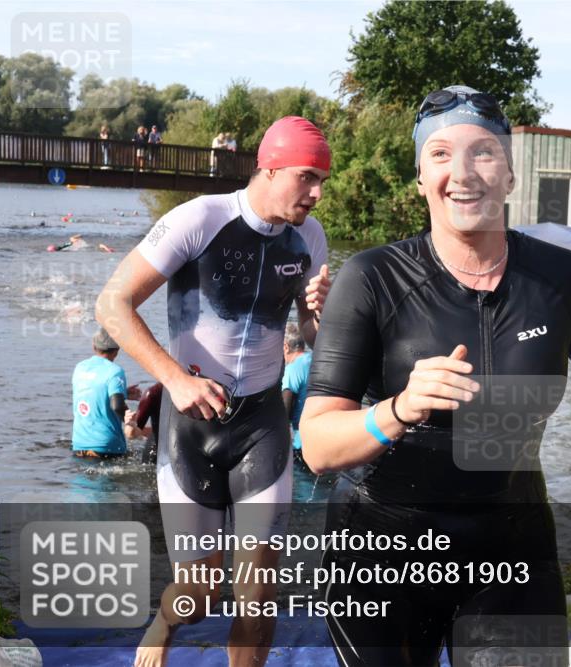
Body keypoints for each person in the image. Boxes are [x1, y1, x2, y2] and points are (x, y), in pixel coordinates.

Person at [300, 85, 571, 666]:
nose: (462, 172)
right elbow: (316, 445)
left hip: (511, 542)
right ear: (420, 177)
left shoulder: (565, 280)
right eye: (440, 154)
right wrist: (398, 409)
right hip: (382, 545)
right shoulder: (372, 279)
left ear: (511, 175)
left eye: (484, 152)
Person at [96, 115, 333, 667]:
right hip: (191, 425)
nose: (318, 193)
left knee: (258, 592)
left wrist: (316, 309)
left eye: (323, 180)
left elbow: (314, 338)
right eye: (307, 177)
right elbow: (112, 304)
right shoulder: (200, 219)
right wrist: (174, 378)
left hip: (262, 425)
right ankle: (164, 621)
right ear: (269, 168)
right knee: (197, 597)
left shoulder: (311, 239)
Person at [71, 328, 141, 458]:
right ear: (116, 351)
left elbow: (91, 392)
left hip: (79, 445)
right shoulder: (115, 371)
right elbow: (117, 406)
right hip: (107, 446)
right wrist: (128, 421)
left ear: (94, 346)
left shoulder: (80, 368)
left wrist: (123, 392)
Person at [280, 322, 312, 460]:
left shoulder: (292, 369)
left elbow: (285, 411)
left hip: (302, 444)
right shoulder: (315, 358)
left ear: (286, 347)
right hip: (324, 436)